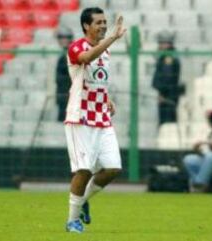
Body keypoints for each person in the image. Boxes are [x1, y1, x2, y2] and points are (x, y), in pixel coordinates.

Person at [64, 7, 126, 233]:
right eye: (98, 22)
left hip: (102, 116)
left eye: (104, 22)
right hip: (80, 117)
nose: (103, 26)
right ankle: (72, 220)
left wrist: (107, 98)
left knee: (113, 168)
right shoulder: (77, 47)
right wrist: (112, 38)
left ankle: (83, 200)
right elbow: (87, 58)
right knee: (84, 170)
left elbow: (96, 80)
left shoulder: (105, 52)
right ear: (86, 26)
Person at [152, 30, 181, 125]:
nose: (159, 46)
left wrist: (162, 94)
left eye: (161, 43)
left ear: (167, 44)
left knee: (166, 123)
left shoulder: (168, 59)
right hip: (168, 96)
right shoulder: (168, 57)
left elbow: (167, 79)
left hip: (167, 97)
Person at [55, 26, 74, 121]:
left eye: (66, 37)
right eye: (61, 37)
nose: (63, 40)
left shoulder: (71, 54)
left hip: (69, 96)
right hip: (62, 95)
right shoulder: (62, 54)